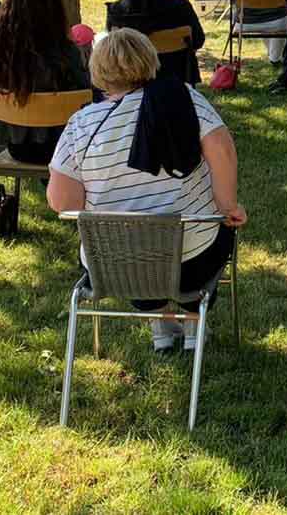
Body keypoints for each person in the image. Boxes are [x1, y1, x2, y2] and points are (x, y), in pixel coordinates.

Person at [47, 28, 246, 355]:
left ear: (97, 72)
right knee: (220, 228)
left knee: (135, 241)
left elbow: (62, 202)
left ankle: (159, 321)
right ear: (149, 61)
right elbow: (222, 150)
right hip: (190, 258)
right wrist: (228, 205)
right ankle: (193, 317)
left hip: (110, 264)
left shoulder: (80, 123)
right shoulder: (185, 99)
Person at [0, 0, 91, 163]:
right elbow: (84, 97)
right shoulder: (66, 53)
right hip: (65, 147)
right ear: (54, 10)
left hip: (16, 145)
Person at [105, 0, 205, 83]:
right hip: (177, 82)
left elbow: (114, 51)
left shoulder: (117, 11)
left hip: (133, 85)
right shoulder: (179, 6)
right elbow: (198, 40)